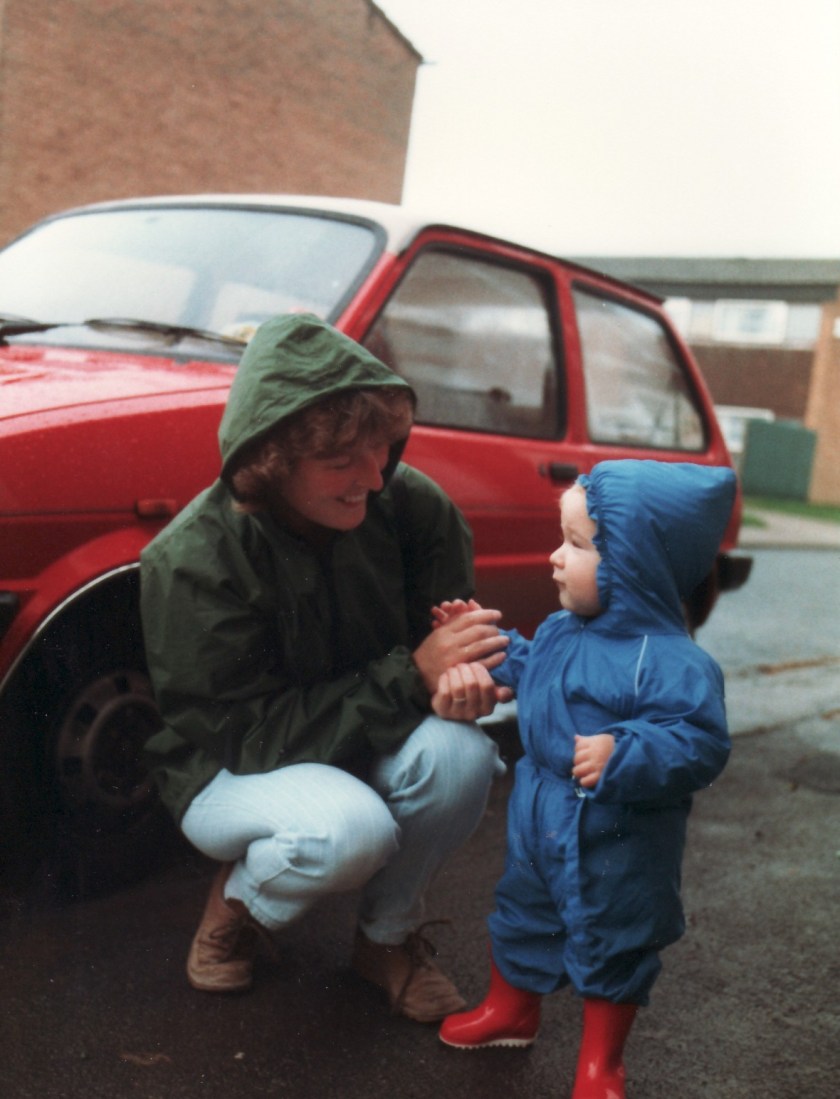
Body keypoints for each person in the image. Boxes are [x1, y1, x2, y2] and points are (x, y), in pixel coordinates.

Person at [139, 313, 511, 1023]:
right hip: (229, 767)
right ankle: (240, 904)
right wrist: (413, 677)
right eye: (343, 461)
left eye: (380, 450)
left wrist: (462, 679)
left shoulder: (411, 506)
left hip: (357, 734)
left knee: (463, 754)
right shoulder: (194, 558)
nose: (373, 478)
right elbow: (243, 733)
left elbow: (444, 655)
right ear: (272, 461)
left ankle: (386, 939)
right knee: (348, 832)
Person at [432, 459, 736, 1098]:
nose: (554, 557)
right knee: (521, 914)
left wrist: (625, 752)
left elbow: (699, 742)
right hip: (540, 819)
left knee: (616, 937)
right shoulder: (564, 629)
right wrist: (493, 647)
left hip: (619, 841)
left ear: (634, 565)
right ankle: (511, 1009)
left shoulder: (675, 664)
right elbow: (537, 667)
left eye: (576, 544)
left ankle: (601, 1064)